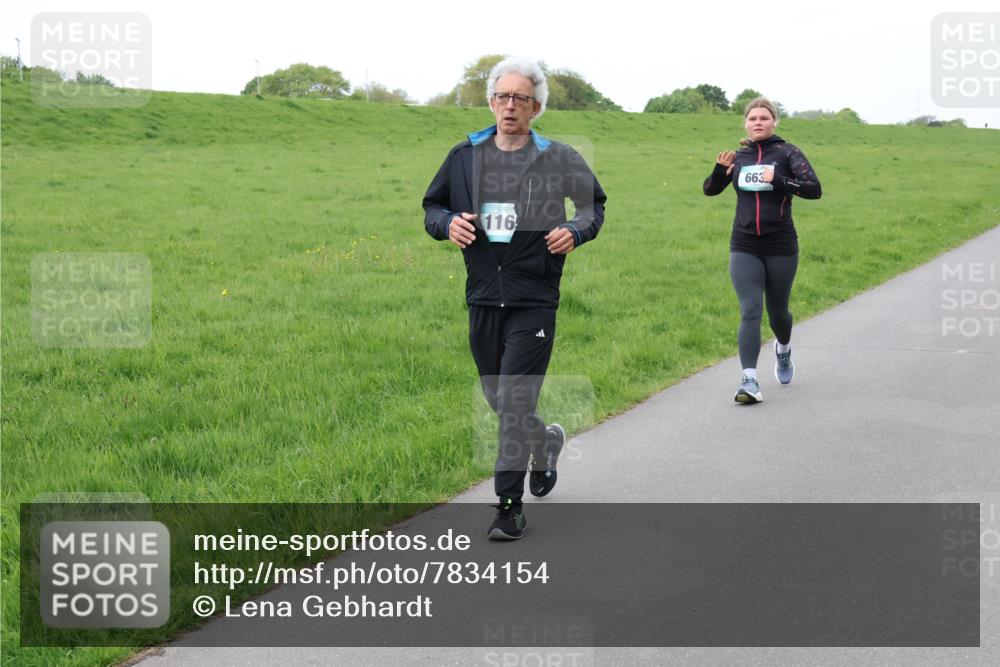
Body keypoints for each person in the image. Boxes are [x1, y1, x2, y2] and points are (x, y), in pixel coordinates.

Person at [422, 57, 607, 539]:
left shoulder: (559, 156)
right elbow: (432, 206)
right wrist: (447, 224)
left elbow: (594, 206)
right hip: (483, 294)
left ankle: (508, 506)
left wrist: (574, 230)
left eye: (520, 98)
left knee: (515, 398)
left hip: (534, 295)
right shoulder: (464, 155)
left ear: (536, 107)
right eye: (502, 97)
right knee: (498, 397)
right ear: (490, 102)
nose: (509, 105)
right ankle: (544, 443)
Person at [703, 97, 822, 404]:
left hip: (780, 244)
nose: (758, 122)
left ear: (774, 122)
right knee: (750, 310)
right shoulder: (739, 156)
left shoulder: (787, 152)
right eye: (753, 118)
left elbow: (813, 189)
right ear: (746, 123)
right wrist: (719, 172)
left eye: (764, 118)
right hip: (744, 244)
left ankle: (783, 350)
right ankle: (750, 381)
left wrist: (779, 180)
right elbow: (710, 190)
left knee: (778, 312)